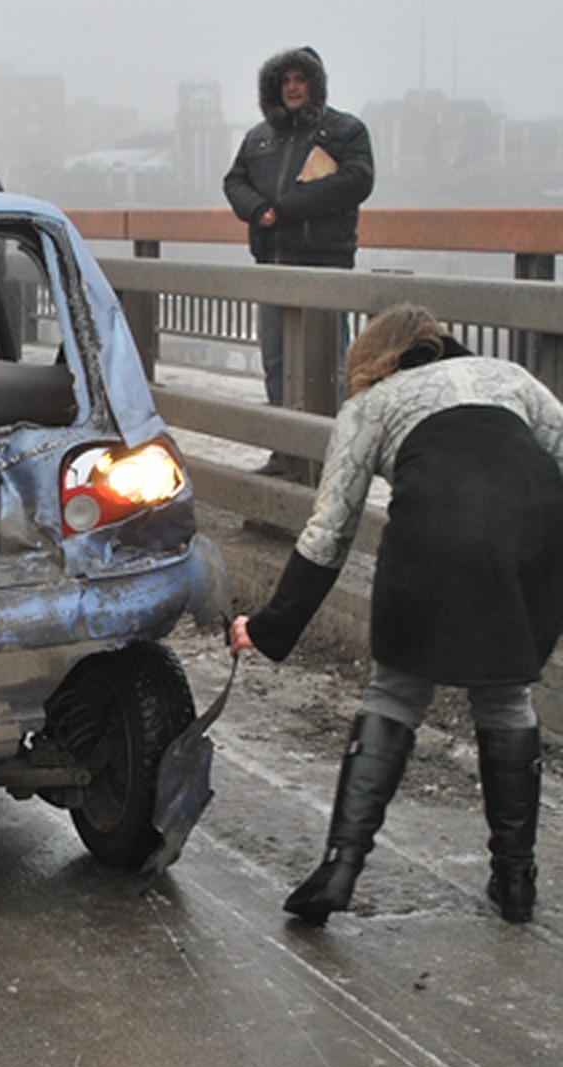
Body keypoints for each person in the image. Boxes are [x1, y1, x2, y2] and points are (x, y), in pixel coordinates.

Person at [229, 303, 563, 926]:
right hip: (534, 535)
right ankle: (517, 883)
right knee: (506, 697)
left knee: (396, 692)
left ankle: (340, 868)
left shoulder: (371, 404)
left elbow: (330, 532)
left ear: (371, 358)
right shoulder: (510, 377)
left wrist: (270, 629)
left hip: (434, 536)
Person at [223, 46, 374, 473]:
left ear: (315, 83)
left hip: (324, 265)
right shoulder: (259, 137)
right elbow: (234, 181)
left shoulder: (345, 131)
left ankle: (333, 453)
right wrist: (258, 210)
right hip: (273, 263)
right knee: (277, 362)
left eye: (299, 79)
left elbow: (357, 180)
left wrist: (286, 208)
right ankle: (285, 452)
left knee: (328, 364)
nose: (292, 87)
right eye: (284, 80)